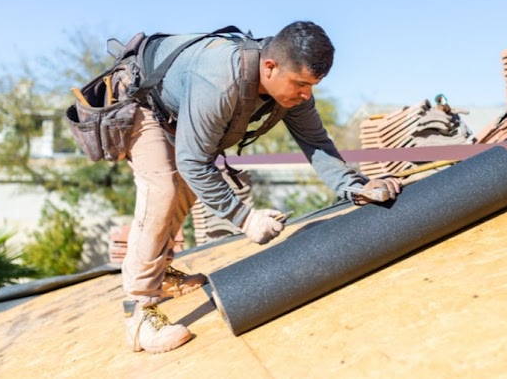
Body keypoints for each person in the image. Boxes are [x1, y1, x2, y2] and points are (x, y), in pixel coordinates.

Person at [120, 21, 401, 353]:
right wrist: (245, 219)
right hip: (140, 98)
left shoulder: (289, 88)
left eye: (313, 86)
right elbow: (194, 162)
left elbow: (315, 142)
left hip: (177, 106)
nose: (306, 94)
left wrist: (355, 187)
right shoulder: (220, 80)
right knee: (163, 186)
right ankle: (139, 313)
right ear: (269, 66)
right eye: (300, 84)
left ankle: (160, 269)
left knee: (186, 185)